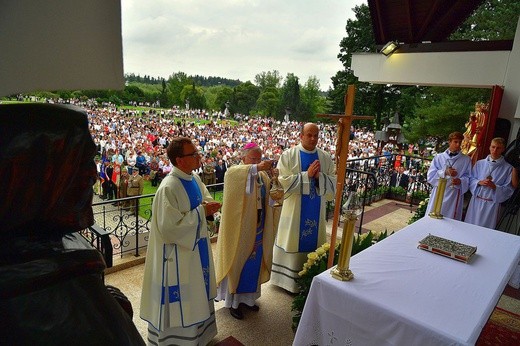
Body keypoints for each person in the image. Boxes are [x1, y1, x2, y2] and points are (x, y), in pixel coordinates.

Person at [140, 137, 221, 346]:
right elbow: (169, 227)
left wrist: (210, 210)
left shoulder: (194, 179)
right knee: (185, 297)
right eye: (193, 154)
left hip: (197, 248)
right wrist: (203, 212)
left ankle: (200, 336)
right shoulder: (169, 187)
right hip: (177, 256)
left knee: (198, 291)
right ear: (179, 160)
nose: (198, 156)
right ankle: (177, 340)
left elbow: (206, 201)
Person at [215, 143, 281, 320]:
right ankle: (233, 303)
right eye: (253, 159)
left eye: (260, 159)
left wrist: (275, 179)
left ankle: (248, 299)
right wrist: (255, 168)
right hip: (240, 231)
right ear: (244, 158)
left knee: (254, 264)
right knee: (239, 264)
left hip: (259, 227)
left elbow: (272, 198)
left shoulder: (262, 177)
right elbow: (236, 177)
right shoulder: (234, 173)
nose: (258, 162)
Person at [270, 123, 336, 293]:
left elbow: (333, 182)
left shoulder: (325, 157)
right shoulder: (288, 155)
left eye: (316, 135)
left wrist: (319, 177)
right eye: (309, 135)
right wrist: (306, 176)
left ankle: (310, 277)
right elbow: (281, 183)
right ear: (301, 136)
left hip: (316, 208)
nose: (313, 138)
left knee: (314, 242)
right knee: (292, 239)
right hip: (293, 212)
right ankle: (287, 282)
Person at [464, 137, 514, 229]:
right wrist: (479, 182)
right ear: (489, 147)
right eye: (493, 147)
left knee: (485, 232)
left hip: (492, 206)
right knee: (469, 228)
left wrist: (495, 187)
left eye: (498, 148)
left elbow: (509, 189)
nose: (495, 150)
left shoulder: (508, 168)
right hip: (476, 202)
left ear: (503, 149)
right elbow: (471, 179)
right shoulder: (480, 163)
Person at [425, 132, 472, 220]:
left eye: (460, 142)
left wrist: (460, 181)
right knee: (433, 216)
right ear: (449, 142)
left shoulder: (466, 160)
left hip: (454, 194)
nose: (458, 145)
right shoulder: (439, 157)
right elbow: (430, 176)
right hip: (439, 191)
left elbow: (468, 177)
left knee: (450, 219)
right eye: (455, 142)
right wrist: (445, 172)